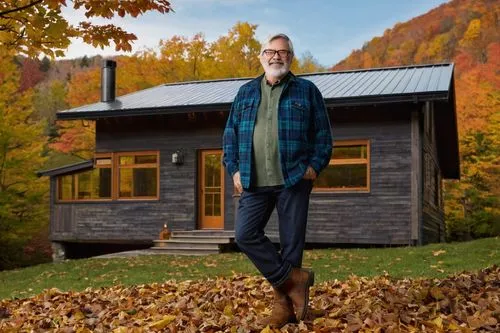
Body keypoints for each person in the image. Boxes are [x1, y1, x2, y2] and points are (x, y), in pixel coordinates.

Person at [222, 33, 333, 328]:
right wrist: (233, 169)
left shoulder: (307, 91)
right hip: (253, 181)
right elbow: (229, 137)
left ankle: (284, 307)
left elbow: (324, 137)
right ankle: (295, 281)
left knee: (292, 244)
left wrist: (314, 167)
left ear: (291, 58)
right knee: (245, 235)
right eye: (270, 52)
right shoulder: (245, 92)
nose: (276, 57)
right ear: (261, 56)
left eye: (282, 52)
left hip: (294, 178)